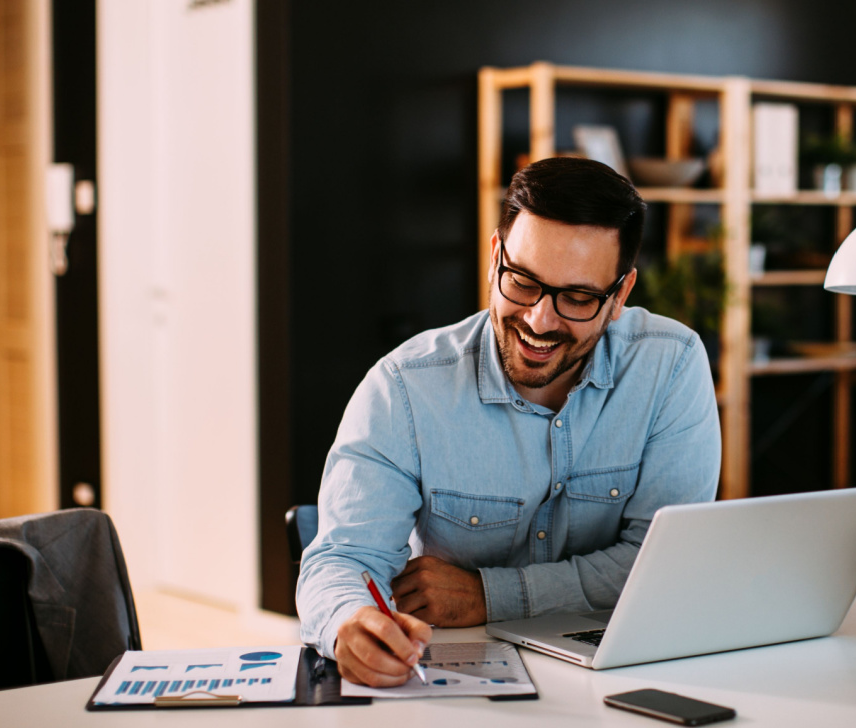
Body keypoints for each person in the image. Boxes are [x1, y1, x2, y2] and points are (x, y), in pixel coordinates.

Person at [296, 157, 722, 687]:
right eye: (522, 281)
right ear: (495, 256)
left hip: (621, 673)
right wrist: (348, 622)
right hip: (457, 683)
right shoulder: (404, 388)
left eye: (578, 297)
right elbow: (340, 560)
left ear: (620, 295)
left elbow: (659, 563)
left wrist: (488, 595)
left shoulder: (671, 364)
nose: (540, 320)